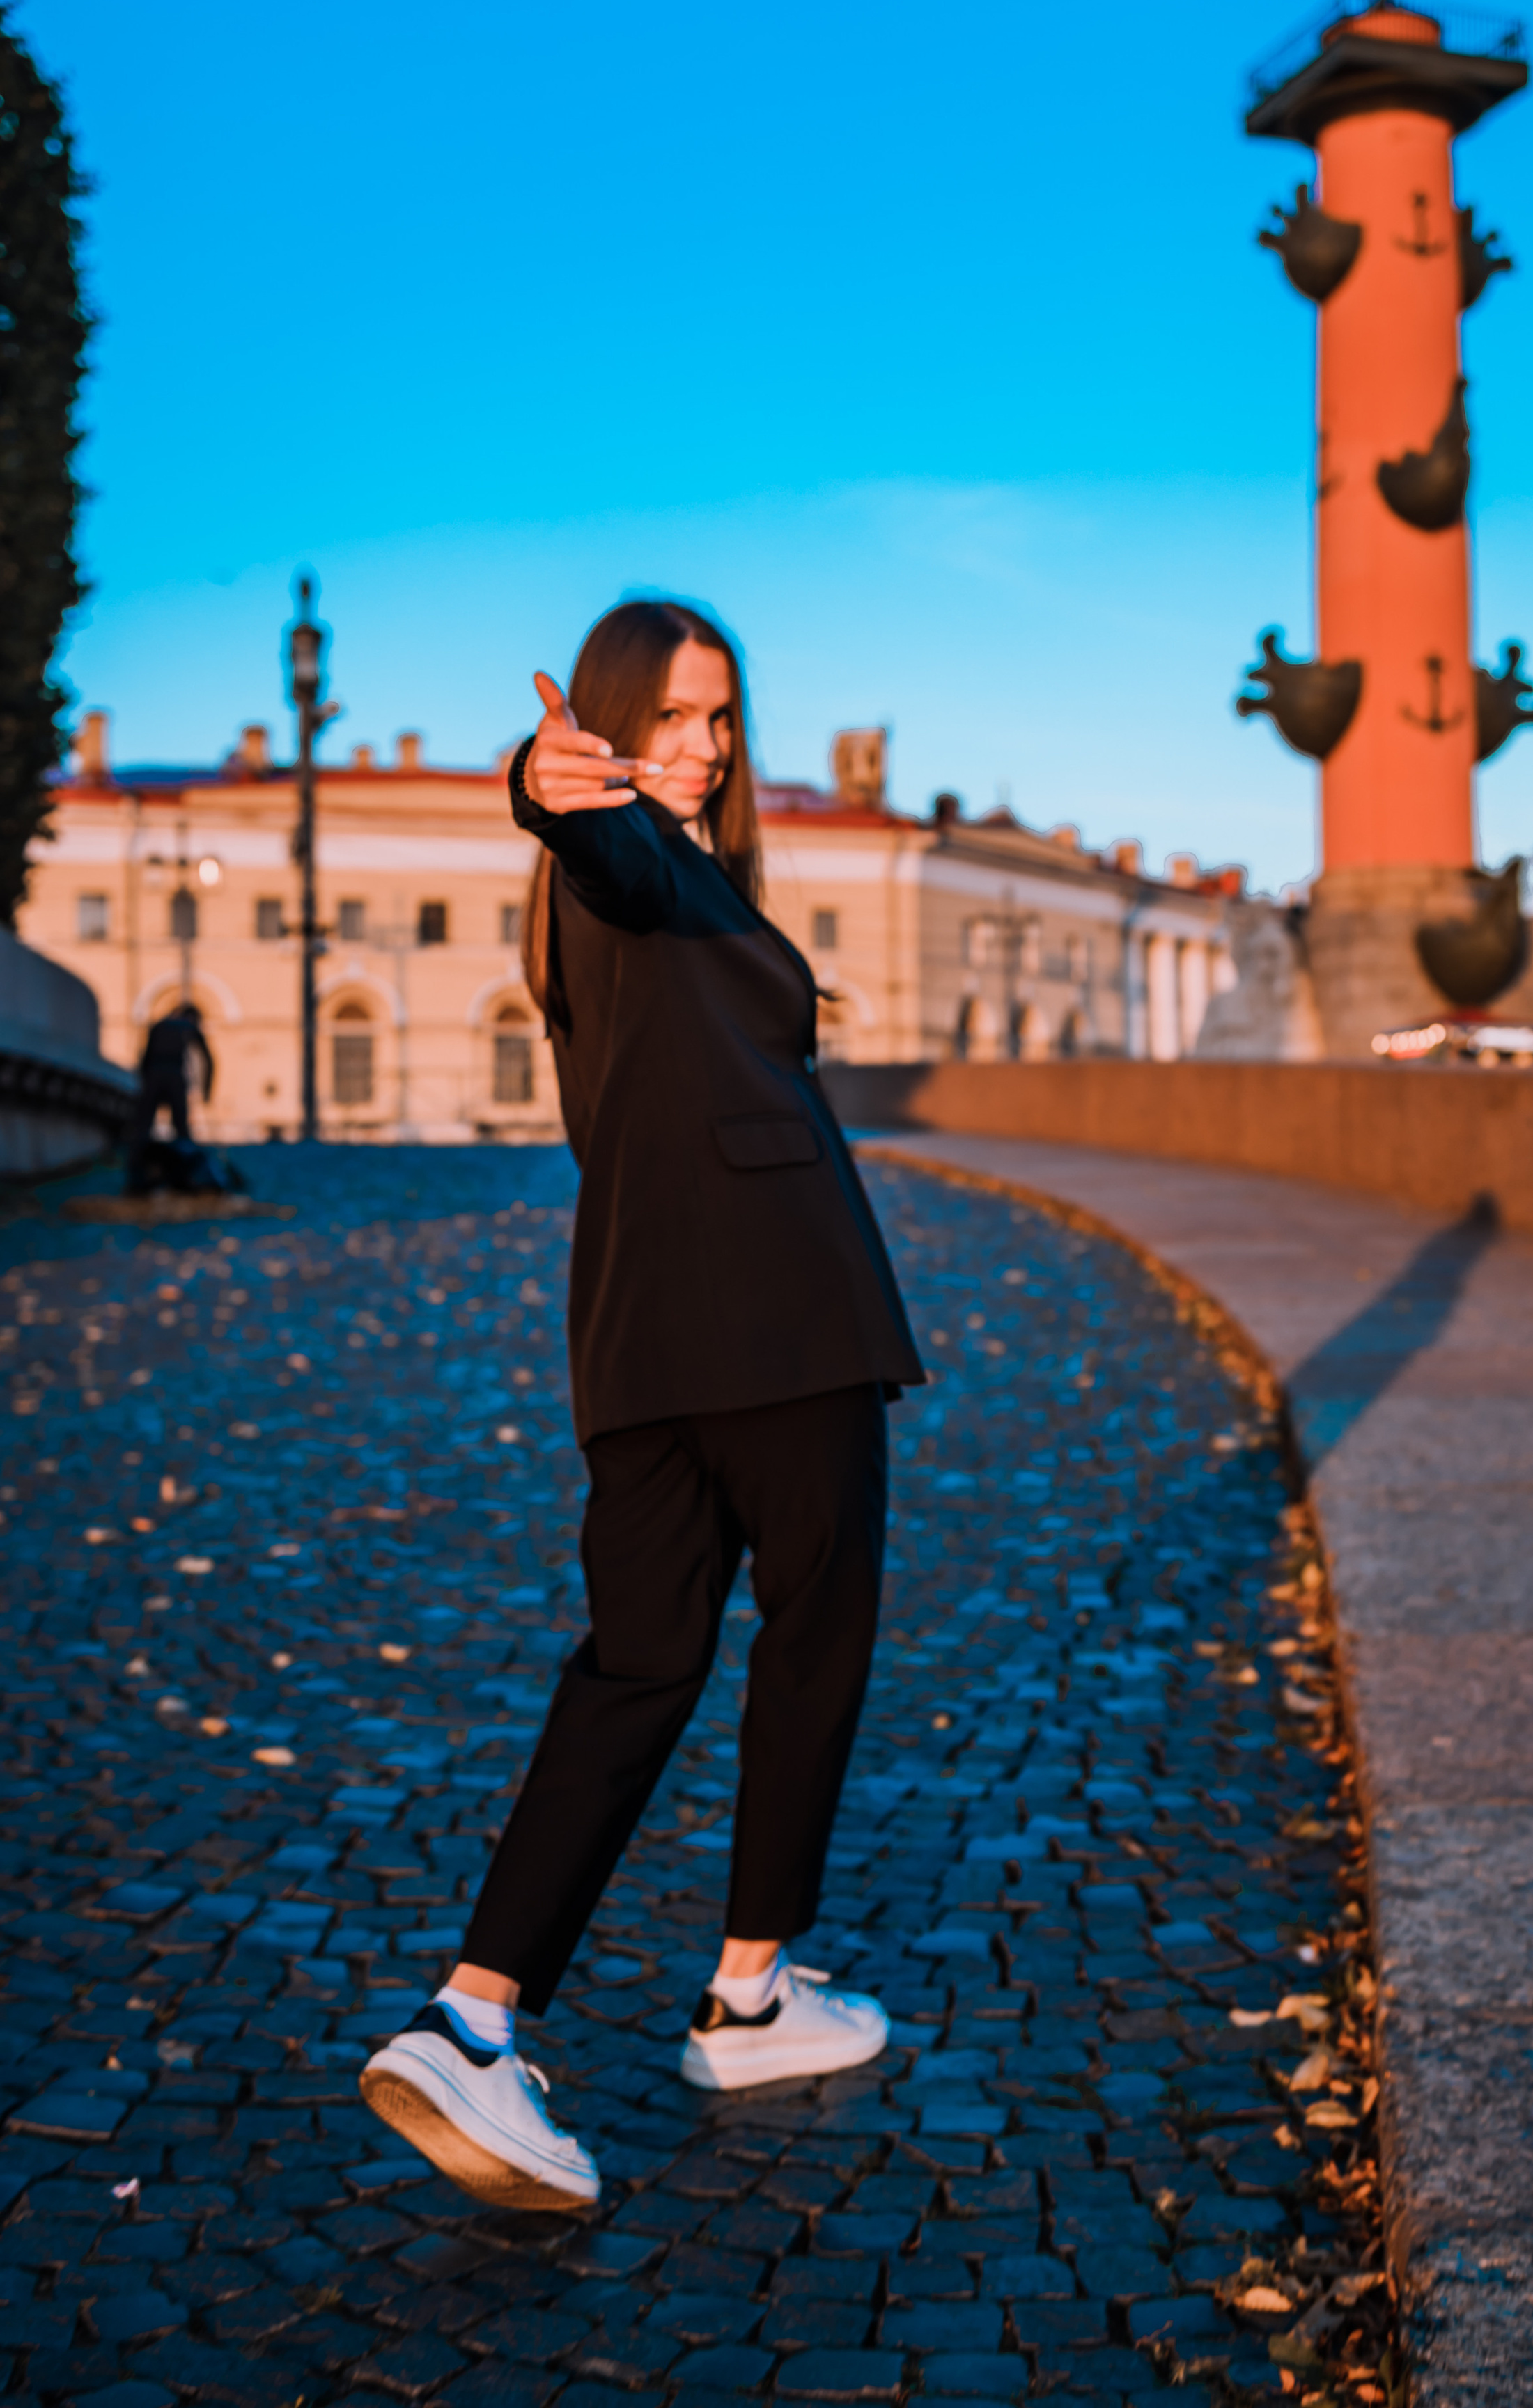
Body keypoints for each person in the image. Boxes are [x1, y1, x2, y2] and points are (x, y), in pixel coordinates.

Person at [362, 600, 924, 2212]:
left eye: (719, 716)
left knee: (637, 1662)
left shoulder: (638, 896)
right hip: (775, 1321)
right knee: (817, 1628)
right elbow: (582, 826)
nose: (700, 742)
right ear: (607, 725)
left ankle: (474, 2015)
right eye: (669, 714)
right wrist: (545, 785)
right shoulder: (629, 857)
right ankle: (749, 1994)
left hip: (636, 1339)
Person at [126, 1003, 212, 1190]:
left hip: (152, 1080)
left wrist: (145, 1087)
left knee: (142, 1129)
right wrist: (207, 1092)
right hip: (174, 1078)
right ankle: (184, 1179)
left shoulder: (158, 1026)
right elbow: (208, 1059)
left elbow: (145, 1058)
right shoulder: (188, 1026)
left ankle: (136, 1178)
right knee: (181, 1129)